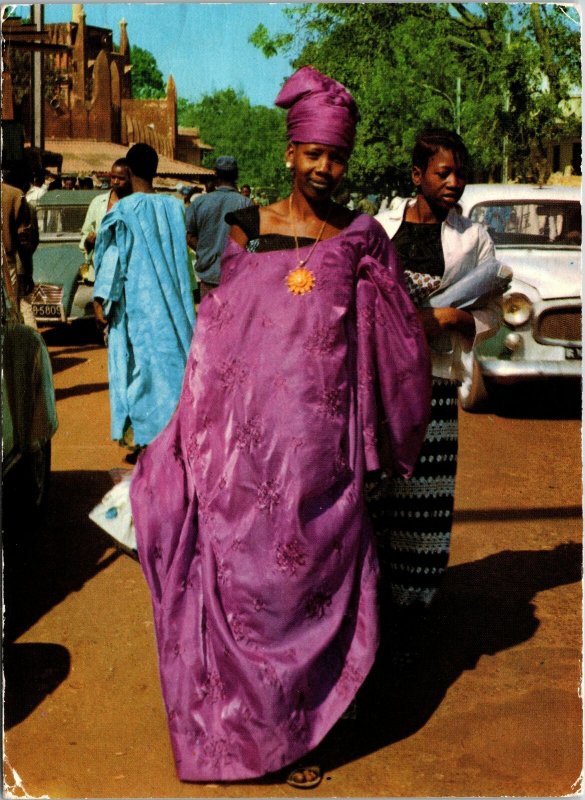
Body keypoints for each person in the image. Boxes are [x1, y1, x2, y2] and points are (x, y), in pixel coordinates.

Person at [130, 66, 431, 786]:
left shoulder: (362, 239)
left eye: (337, 156)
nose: (326, 168)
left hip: (326, 454)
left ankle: (302, 732)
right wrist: (195, 428)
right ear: (289, 152)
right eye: (314, 154)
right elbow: (220, 334)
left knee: (309, 593)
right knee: (249, 586)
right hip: (247, 450)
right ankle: (252, 725)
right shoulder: (247, 228)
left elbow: (397, 343)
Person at [371, 128, 510, 660]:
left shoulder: (474, 239)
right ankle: (372, 597)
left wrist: (456, 319)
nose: (454, 183)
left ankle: (415, 603)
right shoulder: (380, 228)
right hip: (381, 380)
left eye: (460, 173)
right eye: (442, 173)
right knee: (377, 487)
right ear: (417, 176)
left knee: (423, 497)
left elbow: (493, 311)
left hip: (434, 382)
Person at [93, 143, 196, 464]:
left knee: (140, 370)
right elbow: (185, 262)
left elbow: (112, 265)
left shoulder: (122, 212)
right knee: (173, 368)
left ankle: (149, 441)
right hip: (175, 306)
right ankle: (173, 436)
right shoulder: (175, 208)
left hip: (137, 308)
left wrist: (102, 304)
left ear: (131, 170)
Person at [185, 156, 252, 299]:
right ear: (236, 175)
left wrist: (206, 248)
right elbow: (253, 243)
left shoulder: (199, 203)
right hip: (236, 279)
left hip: (208, 279)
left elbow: (189, 236)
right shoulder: (246, 204)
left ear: (215, 174)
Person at [79, 159, 132, 283]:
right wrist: (88, 241)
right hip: (100, 273)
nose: (116, 182)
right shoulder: (98, 202)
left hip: (125, 274)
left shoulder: (133, 205)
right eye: (113, 177)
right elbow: (85, 234)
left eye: (121, 178)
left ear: (130, 179)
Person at [2, 174, 39, 328]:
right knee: (16, 307)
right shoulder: (14, 196)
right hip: (9, 262)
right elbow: (25, 239)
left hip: (12, 262)